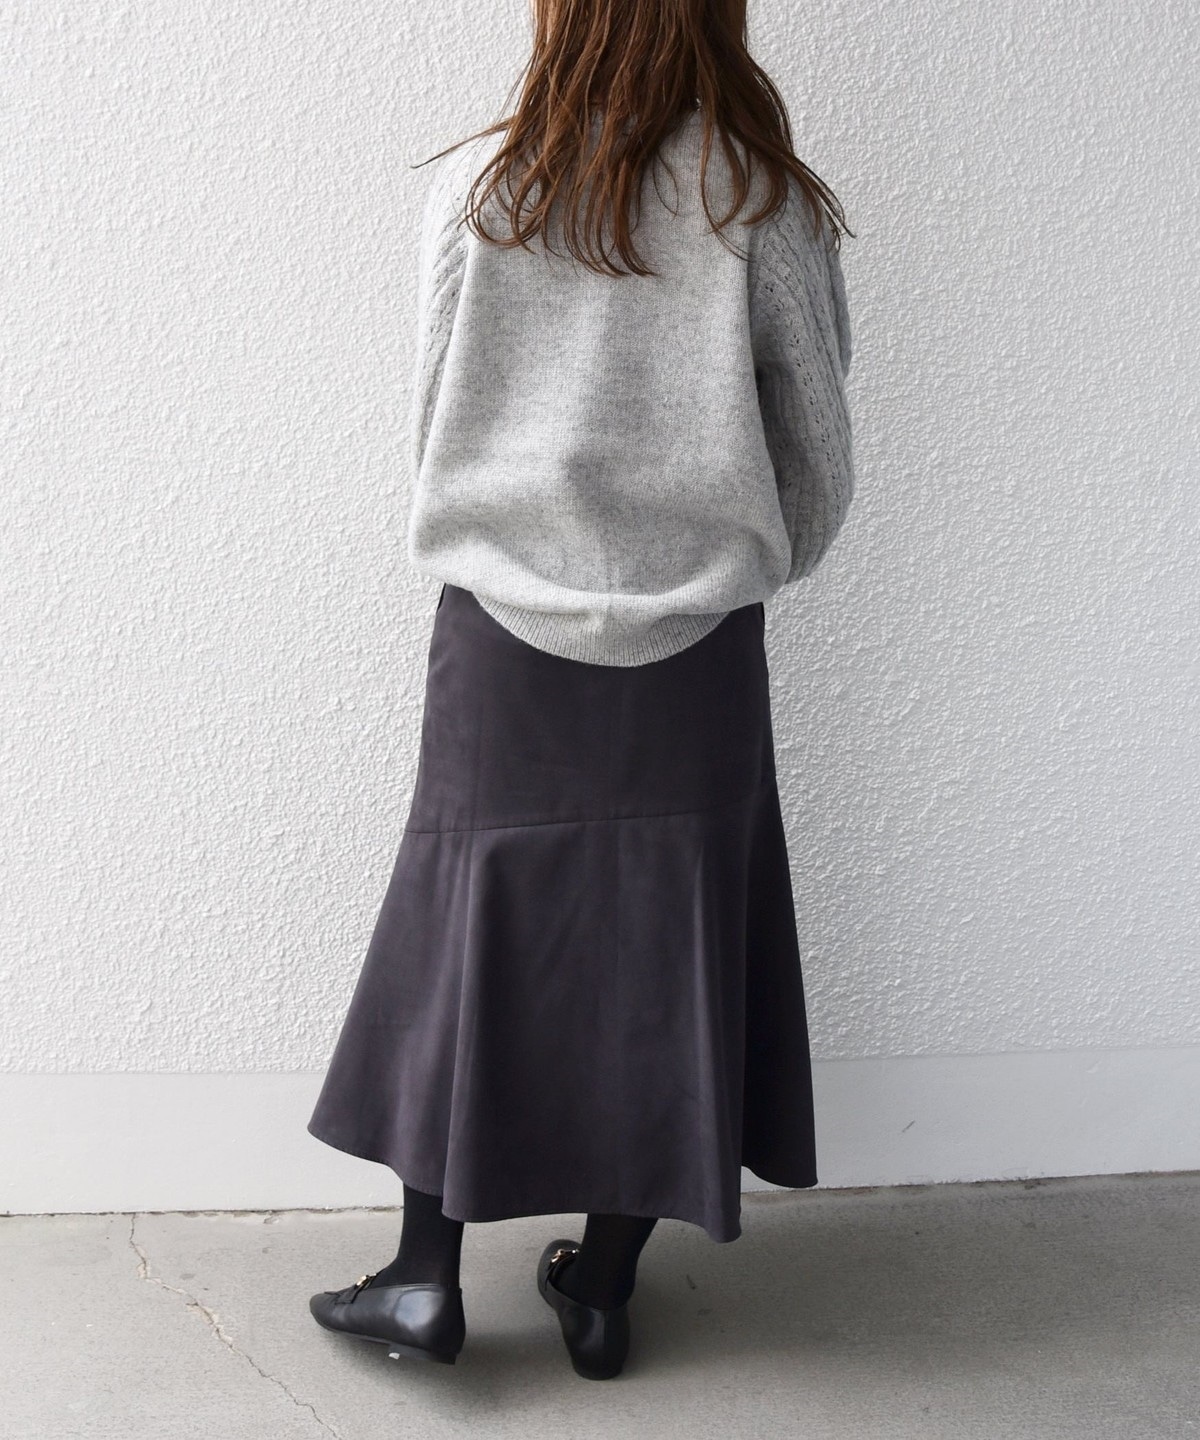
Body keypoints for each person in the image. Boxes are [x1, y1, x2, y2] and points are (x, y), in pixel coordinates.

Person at [305, 0, 855, 1382]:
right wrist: (733, 563)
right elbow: (819, 447)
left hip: (500, 632)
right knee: (677, 942)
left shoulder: (483, 186)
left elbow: (433, 419)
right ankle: (601, 1287)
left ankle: (423, 1277)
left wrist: (508, 543)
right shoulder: (761, 199)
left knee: (466, 925)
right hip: (698, 640)